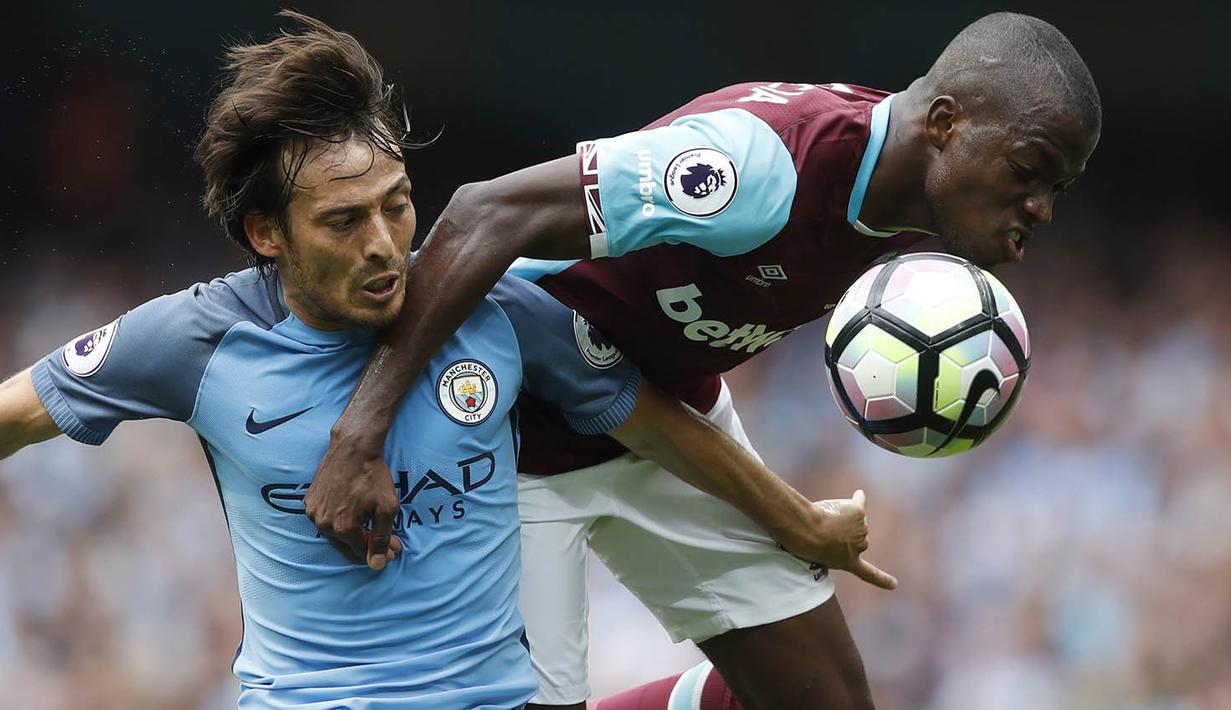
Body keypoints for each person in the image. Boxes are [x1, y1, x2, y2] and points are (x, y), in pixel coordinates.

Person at [0, 13, 886, 709]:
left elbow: (651, 422)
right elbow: (20, 413)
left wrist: (799, 522)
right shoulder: (195, 340)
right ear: (265, 234)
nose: (383, 244)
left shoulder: (498, 312)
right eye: (344, 221)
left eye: (396, 205)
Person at [308, 11, 1102, 710]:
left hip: (668, 418)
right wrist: (359, 433)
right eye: (1026, 171)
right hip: (512, 433)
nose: (1040, 208)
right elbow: (483, 212)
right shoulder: (757, 167)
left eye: (1057, 187)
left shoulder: (918, 210)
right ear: (945, 124)